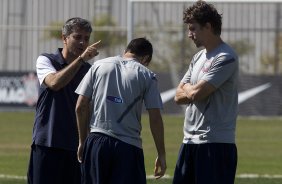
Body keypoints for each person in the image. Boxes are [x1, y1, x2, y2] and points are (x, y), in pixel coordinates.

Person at [75, 37, 167, 184]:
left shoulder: (98, 65)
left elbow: (80, 106)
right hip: (128, 146)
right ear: (146, 58)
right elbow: (155, 117)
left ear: (126, 51)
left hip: (97, 142)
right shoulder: (147, 75)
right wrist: (161, 154)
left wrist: (82, 141)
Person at [27, 17, 100, 184]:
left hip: (77, 147)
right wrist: (80, 60)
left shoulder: (90, 70)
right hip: (48, 142)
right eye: (77, 37)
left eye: (86, 38)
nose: (82, 42)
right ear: (64, 38)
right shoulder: (46, 60)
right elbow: (54, 83)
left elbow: (89, 108)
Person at [172, 1, 238, 184]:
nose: (189, 35)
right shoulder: (198, 57)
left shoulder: (225, 57)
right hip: (189, 142)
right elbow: (178, 96)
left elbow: (196, 94)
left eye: (193, 29)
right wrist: (190, 90)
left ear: (208, 26)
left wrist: (190, 89)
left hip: (215, 144)